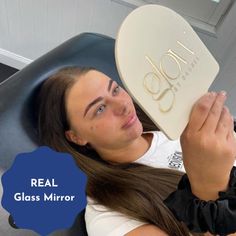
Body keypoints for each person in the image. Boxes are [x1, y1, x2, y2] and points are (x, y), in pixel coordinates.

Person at [37, 66, 236, 236]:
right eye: (99, 109)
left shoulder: (173, 122)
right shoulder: (109, 217)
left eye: (115, 90)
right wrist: (210, 187)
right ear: (77, 137)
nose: (123, 105)